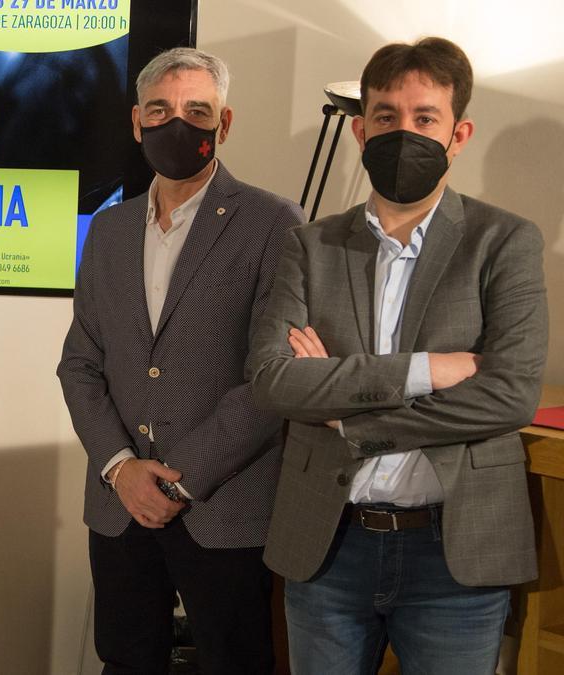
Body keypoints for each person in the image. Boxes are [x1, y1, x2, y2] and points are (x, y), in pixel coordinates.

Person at [249, 37, 548, 674]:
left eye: (424, 118)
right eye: (386, 117)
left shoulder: (505, 242)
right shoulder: (310, 245)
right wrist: (427, 371)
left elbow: (509, 394)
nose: (402, 132)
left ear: (458, 133)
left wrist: (350, 417)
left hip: (456, 551)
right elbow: (274, 381)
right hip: (328, 546)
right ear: (360, 130)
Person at [58, 48, 303, 674]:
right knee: (125, 660)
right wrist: (121, 469)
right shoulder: (108, 230)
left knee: (237, 662)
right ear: (137, 122)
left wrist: (179, 479)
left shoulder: (275, 222)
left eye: (198, 111)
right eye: (162, 110)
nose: (178, 124)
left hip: (224, 503)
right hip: (119, 505)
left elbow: (272, 376)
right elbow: (81, 363)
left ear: (223, 125)